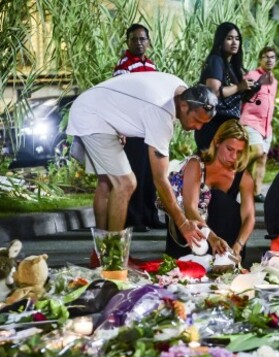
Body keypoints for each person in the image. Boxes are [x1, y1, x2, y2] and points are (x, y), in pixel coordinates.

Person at [66, 72, 217, 266]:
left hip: (93, 106)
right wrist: (182, 223)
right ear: (184, 106)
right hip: (92, 116)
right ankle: (114, 259)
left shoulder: (182, 90)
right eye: (197, 120)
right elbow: (160, 180)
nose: (198, 127)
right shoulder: (162, 112)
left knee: (106, 183)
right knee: (125, 183)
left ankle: (101, 254)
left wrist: (118, 122)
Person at [166, 119, 255, 262]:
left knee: (224, 203)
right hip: (192, 232)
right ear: (217, 141)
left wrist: (238, 246)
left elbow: (249, 216)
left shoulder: (243, 176)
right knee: (216, 198)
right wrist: (212, 238)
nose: (233, 157)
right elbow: (190, 208)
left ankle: (227, 258)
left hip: (224, 236)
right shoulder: (196, 164)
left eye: (239, 152)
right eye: (230, 149)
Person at [111, 23, 163, 233]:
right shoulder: (123, 66)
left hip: (149, 127)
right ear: (128, 42)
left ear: (148, 42)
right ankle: (134, 218)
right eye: (134, 39)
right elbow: (119, 99)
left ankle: (150, 215)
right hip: (132, 127)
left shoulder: (151, 65)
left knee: (151, 173)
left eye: (143, 39)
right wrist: (120, 128)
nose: (139, 43)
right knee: (136, 173)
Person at [196, 22, 254, 153]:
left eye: (237, 38)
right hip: (213, 124)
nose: (234, 42)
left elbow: (234, 97)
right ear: (220, 41)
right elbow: (214, 91)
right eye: (229, 38)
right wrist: (239, 87)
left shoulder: (233, 67)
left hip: (227, 126)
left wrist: (248, 90)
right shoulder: (216, 60)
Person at [240, 46, 278, 203]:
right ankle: (235, 170)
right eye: (266, 57)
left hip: (266, 126)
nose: (269, 60)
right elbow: (242, 95)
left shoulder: (274, 81)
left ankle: (256, 192)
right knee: (256, 151)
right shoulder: (252, 75)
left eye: (272, 57)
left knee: (262, 157)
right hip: (250, 121)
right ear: (260, 59)